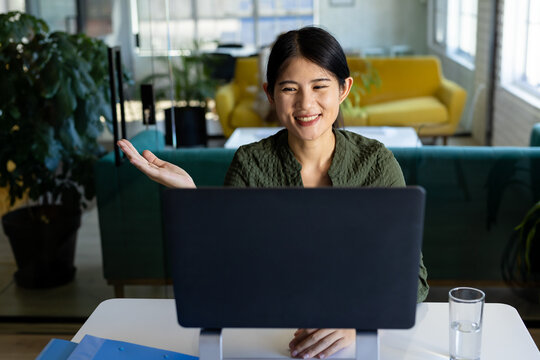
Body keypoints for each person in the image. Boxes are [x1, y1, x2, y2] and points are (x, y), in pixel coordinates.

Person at [118, 26, 429, 360]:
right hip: (265, 336)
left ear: (343, 88)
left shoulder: (376, 163)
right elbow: (226, 269)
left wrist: (356, 322)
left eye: (319, 86)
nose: (305, 104)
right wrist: (191, 196)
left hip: (357, 342)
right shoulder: (251, 163)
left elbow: (413, 281)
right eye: (289, 88)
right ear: (270, 93)